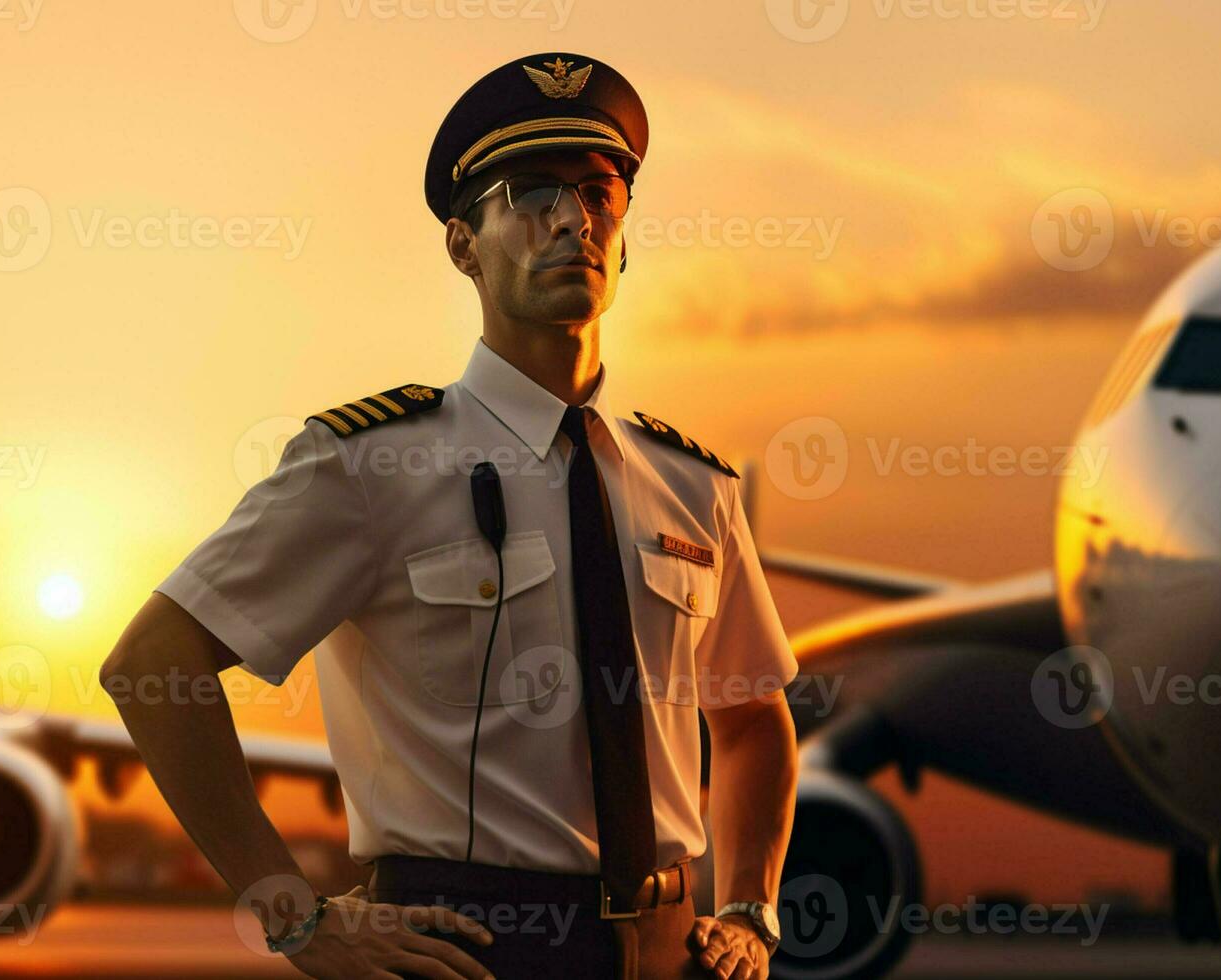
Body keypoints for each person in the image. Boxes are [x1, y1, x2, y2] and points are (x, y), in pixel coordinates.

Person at [101, 51, 800, 979]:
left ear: (624, 236)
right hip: (465, 950)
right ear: (464, 245)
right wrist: (295, 917)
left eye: (599, 194)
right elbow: (153, 663)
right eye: (529, 194)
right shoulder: (369, 464)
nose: (572, 220)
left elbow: (752, 716)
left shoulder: (694, 485)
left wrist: (749, 907)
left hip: (673, 954)